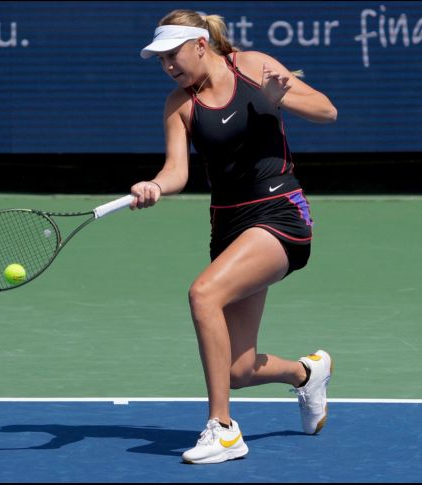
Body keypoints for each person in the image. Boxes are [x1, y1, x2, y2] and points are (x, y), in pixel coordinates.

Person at [130, 9, 338, 464]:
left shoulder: (253, 66)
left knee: (203, 293)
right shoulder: (179, 104)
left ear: (200, 45)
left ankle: (223, 429)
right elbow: (176, 171)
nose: (168, 66)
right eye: (161, 59)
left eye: (173, 55)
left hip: (280, 212)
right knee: (238, 369)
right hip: (228, 226)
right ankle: (307, 374)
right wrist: (155, 186)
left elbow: (327, 110)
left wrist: (281, 99)